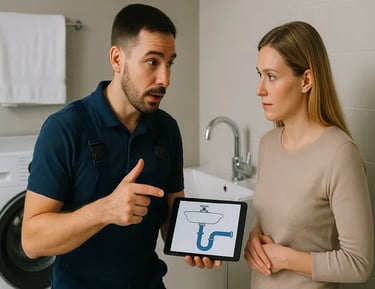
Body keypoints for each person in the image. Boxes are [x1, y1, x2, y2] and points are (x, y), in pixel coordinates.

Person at [21, 4, 220, 289]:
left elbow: (171, 218)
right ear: (117, 59)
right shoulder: (65, 128)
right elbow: (31, 241)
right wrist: (105, 211)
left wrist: (200, 241)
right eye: (152, 61)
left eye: (170, 62)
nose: (165, 79)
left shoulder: (167, 129)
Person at [244, 21, 373, 289]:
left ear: (306, 80)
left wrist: (287, 259)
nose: (260, 90)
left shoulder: (339, 154)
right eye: (259, 74)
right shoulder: (268, 144)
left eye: (271, 76)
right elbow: (276, 220)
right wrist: (255, 238)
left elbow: (359, 264)